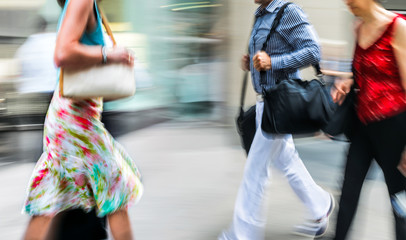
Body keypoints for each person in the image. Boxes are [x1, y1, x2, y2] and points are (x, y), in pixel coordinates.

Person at [21, 0, 143, 240]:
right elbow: (63, 52)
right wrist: (109, 53)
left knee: (53, 192)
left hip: (74, 116)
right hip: (76, 119)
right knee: (114, 186)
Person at [219, 0, 335, 239]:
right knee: (287, 161)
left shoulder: (289, 11)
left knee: (255, 170)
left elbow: (313, 51)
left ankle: (243, 233)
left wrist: (273, 62)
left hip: (279, 104)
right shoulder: (260, 13)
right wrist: (251, 62)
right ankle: (321, 205)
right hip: (267, 103)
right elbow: (267, 52)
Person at [330, 0, 406, 239]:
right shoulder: (358, 27)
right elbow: (360, 71)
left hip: (395, 128)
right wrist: (347, 80)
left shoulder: (398, 27)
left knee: (400, 201)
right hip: (364, 126)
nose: (347, 2)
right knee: (348, 191)